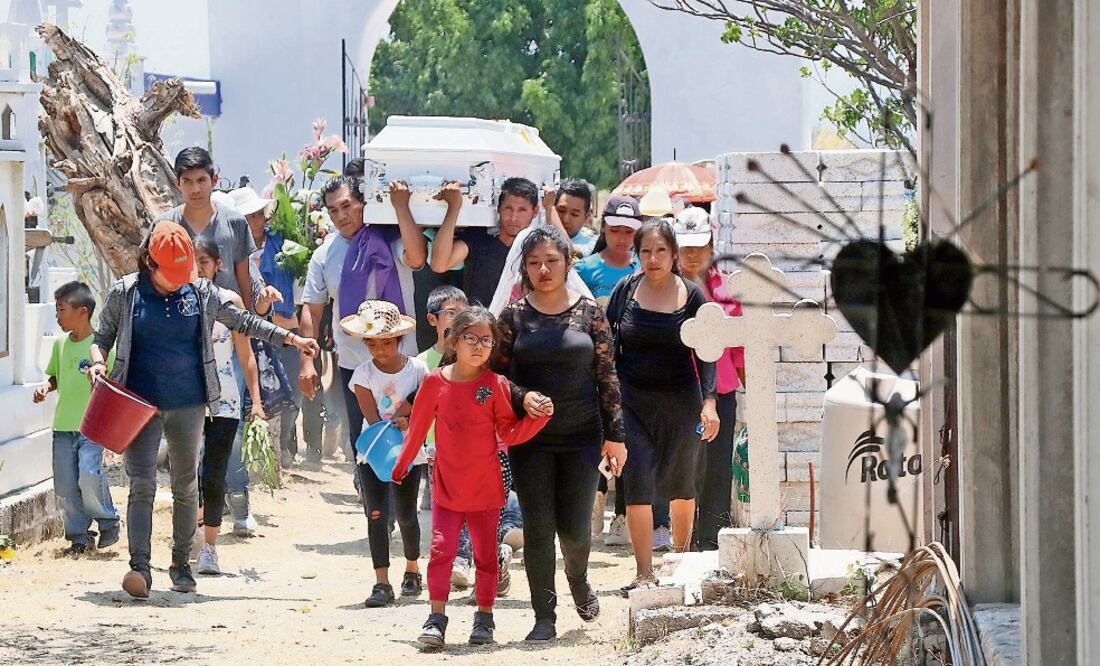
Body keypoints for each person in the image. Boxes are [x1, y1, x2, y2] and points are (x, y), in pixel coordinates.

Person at [89, 222, 319, 598]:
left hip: (189, 403)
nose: (180, 281)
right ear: (149, 261)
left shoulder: (200, 291)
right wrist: (98, 364)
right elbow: (101, 340)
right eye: (171, 273)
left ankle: (181, 565)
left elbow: (242, 321)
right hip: (137, 406)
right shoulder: (125, 293)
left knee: (185, 484)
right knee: (142, 484)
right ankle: (139, 568)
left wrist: (291, 338)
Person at [391, 306, 552, 649]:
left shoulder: (495, 384)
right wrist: (401, 465)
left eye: (486, 340)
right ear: (453, 340)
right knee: (441, 551)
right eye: (470, 338)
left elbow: (508, 432)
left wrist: (537, 420)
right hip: (447, 485)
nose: (478, 346)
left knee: (485, 555)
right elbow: (418, 428)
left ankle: (485, 617)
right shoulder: (434, 381)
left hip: (486, 486)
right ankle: (436, 618)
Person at [496, 226, 628, 641]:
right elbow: (496, 380)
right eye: (534, 263)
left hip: (581, 435)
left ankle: (578, 576)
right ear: (524, 269)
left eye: (552, 261)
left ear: (568, 264)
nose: (544, 269)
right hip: (530, 439)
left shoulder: (590, 314)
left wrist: (615, 436)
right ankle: (544, 616)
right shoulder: (513, 317)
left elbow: (607, 377)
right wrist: (523, 396)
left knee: (574, 527)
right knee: (538, 525)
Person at [605, 218, 719, 593]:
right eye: (645, 251)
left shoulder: (692, 295)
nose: (652, 258)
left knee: (682, 484)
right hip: (632, 404)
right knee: (636, 483)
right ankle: (643, 573)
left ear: (674, 255)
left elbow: (708, 354)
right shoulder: (625, 290)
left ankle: (680, 566)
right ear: (637, 255)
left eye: (660, 251)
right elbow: (607, 348)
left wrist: (709, 401)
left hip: (682, 404)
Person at [297, 176, 428, 474]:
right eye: (333, 210)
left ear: (362, 203)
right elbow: (313, 311)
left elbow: (418, 257)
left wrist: (401, 206)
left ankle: (404, 517)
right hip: (355, 366)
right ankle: (375, 515)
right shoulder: (324, 254)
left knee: (408, 442)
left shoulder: (393, 240)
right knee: (364, 446)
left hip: (404, 363)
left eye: (346, 205)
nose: (341, 216)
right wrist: (307, 362)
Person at [343, 300, 429, 607]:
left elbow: (427, 407)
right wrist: (404, 413)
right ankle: (381, 581)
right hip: (375, 454)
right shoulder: (362, 376)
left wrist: (411, 415)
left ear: (399, 340)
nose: (381, 350)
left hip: (409, 453)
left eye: (387, 343)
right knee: (376, 514)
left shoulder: (418, 369)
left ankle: (412, 568)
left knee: (406, 515)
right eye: (374, 344)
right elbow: (374, 421)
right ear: (365, 344)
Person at [191, 239, 267, 575]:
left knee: (214, 471)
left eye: (203, 261)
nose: (198, 268)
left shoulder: (230, 302)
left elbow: (245, 354)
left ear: (217, 263)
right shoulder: (177, 303)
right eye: (192, 262)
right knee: (188, 471)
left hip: (225, 399)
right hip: (188, 398)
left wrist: (257, 400)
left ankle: (209, 547)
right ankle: (190, 534)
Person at [674, 208, 746, 551]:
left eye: (699, 246)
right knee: (684, 468)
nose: (691, 254)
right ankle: (681, 540)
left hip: (721, 392)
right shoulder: (665, 289)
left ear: (712, 246)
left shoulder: (727, 291)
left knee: (718, 469)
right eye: (685, 246)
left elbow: (739, 351)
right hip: (678, 392)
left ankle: (712, 540)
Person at [574, 195, 642, 545]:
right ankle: (595, 503)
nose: (621, 238)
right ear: (603, 228)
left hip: (631, 369)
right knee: (598, 434)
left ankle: (622, 515)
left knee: (626, 435)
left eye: (628, 231)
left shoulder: (642, 269)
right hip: (592, 369)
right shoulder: (584, 270)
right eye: (614, 230)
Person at [33, 281, 119, 555]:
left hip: (92, 428)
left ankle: (109, 520)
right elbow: (56, 376)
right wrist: (47, 386)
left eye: (61, 309)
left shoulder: (102, 348)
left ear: (82, 312)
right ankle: (79, 537)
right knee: (67, 486)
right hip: (63, 427)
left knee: (89, 476)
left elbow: (114, 386)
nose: (57, 316)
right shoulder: (60, 344)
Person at [231, 186, 310, 465]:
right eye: (247, 216)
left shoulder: (285, 246)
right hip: (247, 332)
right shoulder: (232, 251)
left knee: (290, 394)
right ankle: (253, 457)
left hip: (286, 329)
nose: (254, 221)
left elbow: (300, 291)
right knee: (253, 395)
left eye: (257, 214)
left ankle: (285, 441)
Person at [157, 147, 255, 312]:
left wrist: (247, 329)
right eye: (187, 181)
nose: (195, 189)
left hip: (227, 327)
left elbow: (244, 282)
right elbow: (154, 280)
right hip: (179, 325)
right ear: (177, 182)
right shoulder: (164, 227)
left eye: (201, 180)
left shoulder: (235, 223)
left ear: (214, 180)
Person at [430, 177, 540, 306]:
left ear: (535, 212)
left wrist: (550, 209)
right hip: (477, 323)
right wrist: (454, 207)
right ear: (498, 208)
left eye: (522, 210)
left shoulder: (537, 250)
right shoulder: (479, 239)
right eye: (508, 208)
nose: (513, 217)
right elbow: (439, 265)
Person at [553, 179, 599, 257]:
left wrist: (550, 208)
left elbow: (570, 251)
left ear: (586, 217)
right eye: (561, 211)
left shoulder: (592, 242)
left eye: (574, 214)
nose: (566, 219)